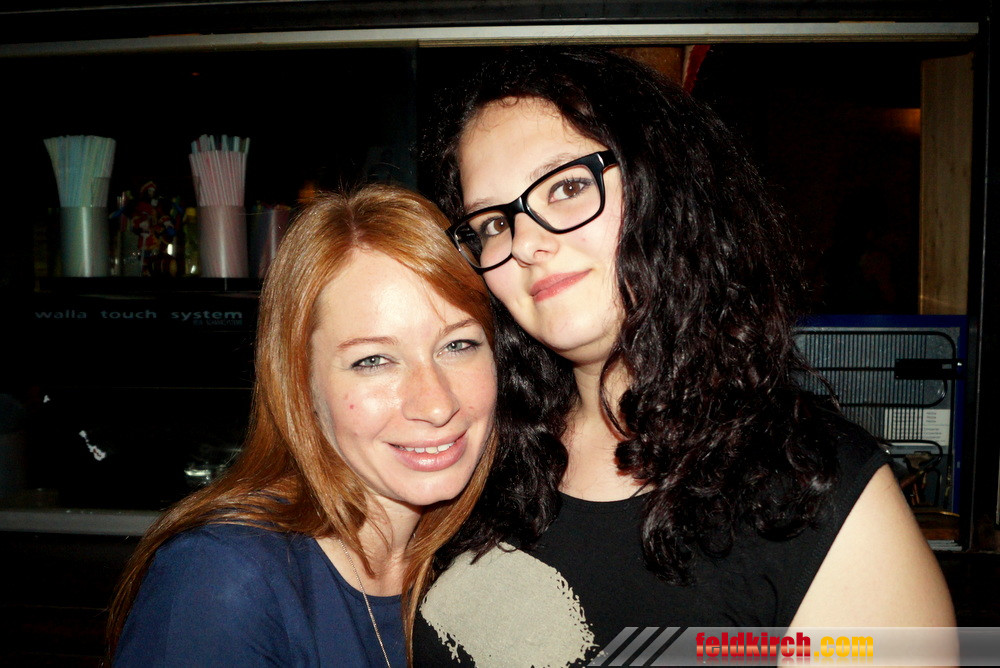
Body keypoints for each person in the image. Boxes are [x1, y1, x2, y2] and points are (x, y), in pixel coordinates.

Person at [413, 47, 956, 666]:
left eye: (567, 186)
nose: (527, 242)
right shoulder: (468, 453)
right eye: (492, 222)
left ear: (664, 190)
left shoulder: (815, 493)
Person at [107, 184, 497, 667]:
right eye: (373, 360)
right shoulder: (222, 580)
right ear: (300, 384)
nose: (436, 405)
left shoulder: (485, 561)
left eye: (458, 345)